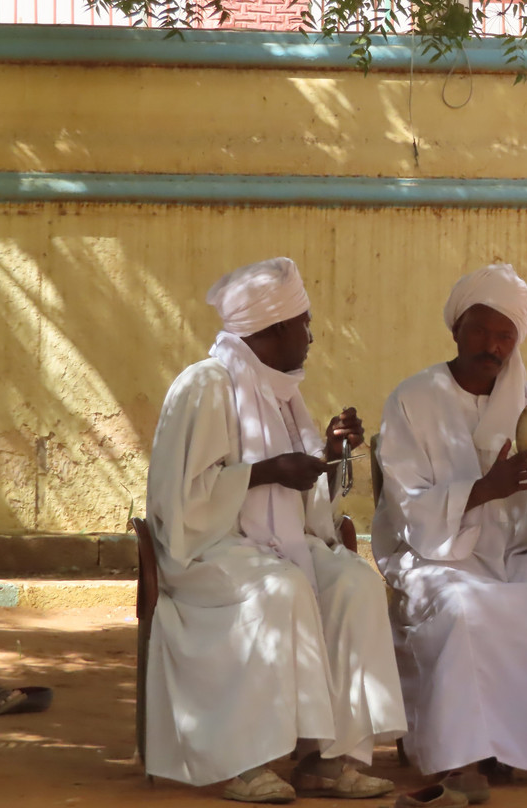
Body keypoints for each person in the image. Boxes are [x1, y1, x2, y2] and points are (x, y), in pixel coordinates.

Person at [144, 257, 407, 803]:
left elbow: (303, 503)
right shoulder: (205, 385)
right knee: (281, 588)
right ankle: (248, 763)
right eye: (304, 324)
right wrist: (266, 472)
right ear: (276, 327)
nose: (311, 336)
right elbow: (182, 502)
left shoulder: (282, 392)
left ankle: (327, 761)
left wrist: (329, 454)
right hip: (207, 551)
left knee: (355, 583)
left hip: (278, 544)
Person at [371, 263, 527, 786]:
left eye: (505, 335)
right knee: (463, 607)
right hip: (438, 556)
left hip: (519, 555)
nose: (492, 345)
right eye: (479, 330)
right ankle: (464, 758)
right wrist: (484, 489)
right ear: (456, 328)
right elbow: (407, 505)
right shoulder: (412, 399)